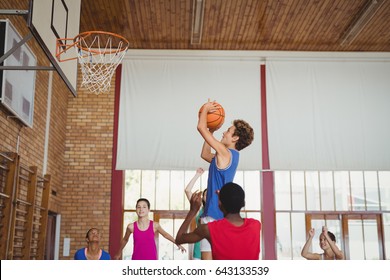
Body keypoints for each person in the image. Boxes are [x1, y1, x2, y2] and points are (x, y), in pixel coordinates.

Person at [197, 100, 254, 259]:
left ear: (235, 138)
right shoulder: (228, 156)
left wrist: (206, 110)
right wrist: (211, 131)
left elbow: (200, 127)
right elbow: (205, 155)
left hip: (215, 214)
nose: (224, 133)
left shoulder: (226, 153)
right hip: (218, 214)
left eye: (228, 131)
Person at [176, 182, 261, 260]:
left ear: (219, 204)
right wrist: (222, 199)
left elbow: (179, 239)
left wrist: (193, 211)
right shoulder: (256, 225)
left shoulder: (209, 229)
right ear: (243, 203)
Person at [114, 198, 186, 260]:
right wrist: (118, 253)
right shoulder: (131, 227)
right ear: (136, 209)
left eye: (144, 207)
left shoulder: (155, 225)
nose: (141, 209)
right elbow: (125, 240)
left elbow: (166, 235)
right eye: (138, 207)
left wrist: (178, 244)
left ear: (148, 210)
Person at [184, 167, 207, 260]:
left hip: (215, 248)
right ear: (203, 198)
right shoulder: (198, 208)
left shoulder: (220, 210)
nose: (209, 196)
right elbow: (187, 191)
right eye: (206, 194)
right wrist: (197, 175)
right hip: (199, 249)